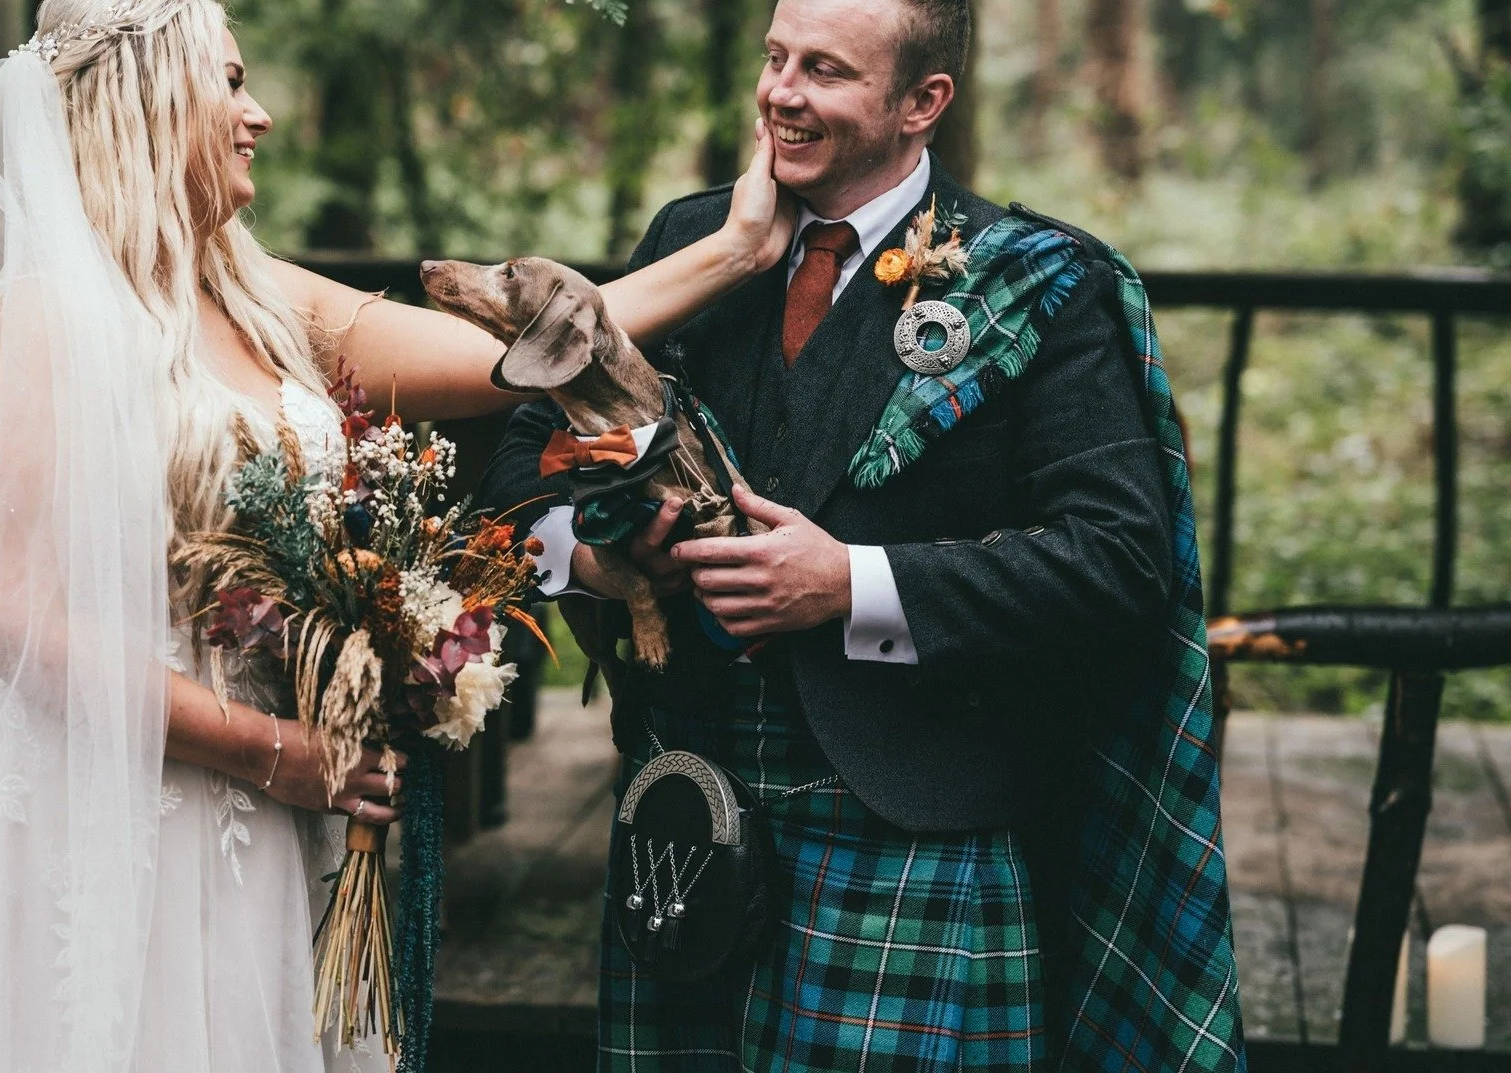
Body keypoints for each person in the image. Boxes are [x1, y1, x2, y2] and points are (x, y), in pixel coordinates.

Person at [0, 1, 794, 1070]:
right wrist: (272, 751)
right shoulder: (32, 316)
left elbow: (499, 360)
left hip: (276, 803)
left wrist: (738, 248)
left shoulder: (252, 287)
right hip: (104, 792)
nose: (260, 114)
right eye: (230, 82)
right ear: (146, 96)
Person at [479, 0, 1246, 1069]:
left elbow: (1118, 559)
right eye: (775, 58)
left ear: (921, 103)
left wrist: (852, 582)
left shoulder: (1039, 281)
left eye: (825, 71)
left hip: (914, 821)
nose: (780, 92)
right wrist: (600, 562)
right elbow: (523, 454)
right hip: (682, 804)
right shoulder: (691, 243)